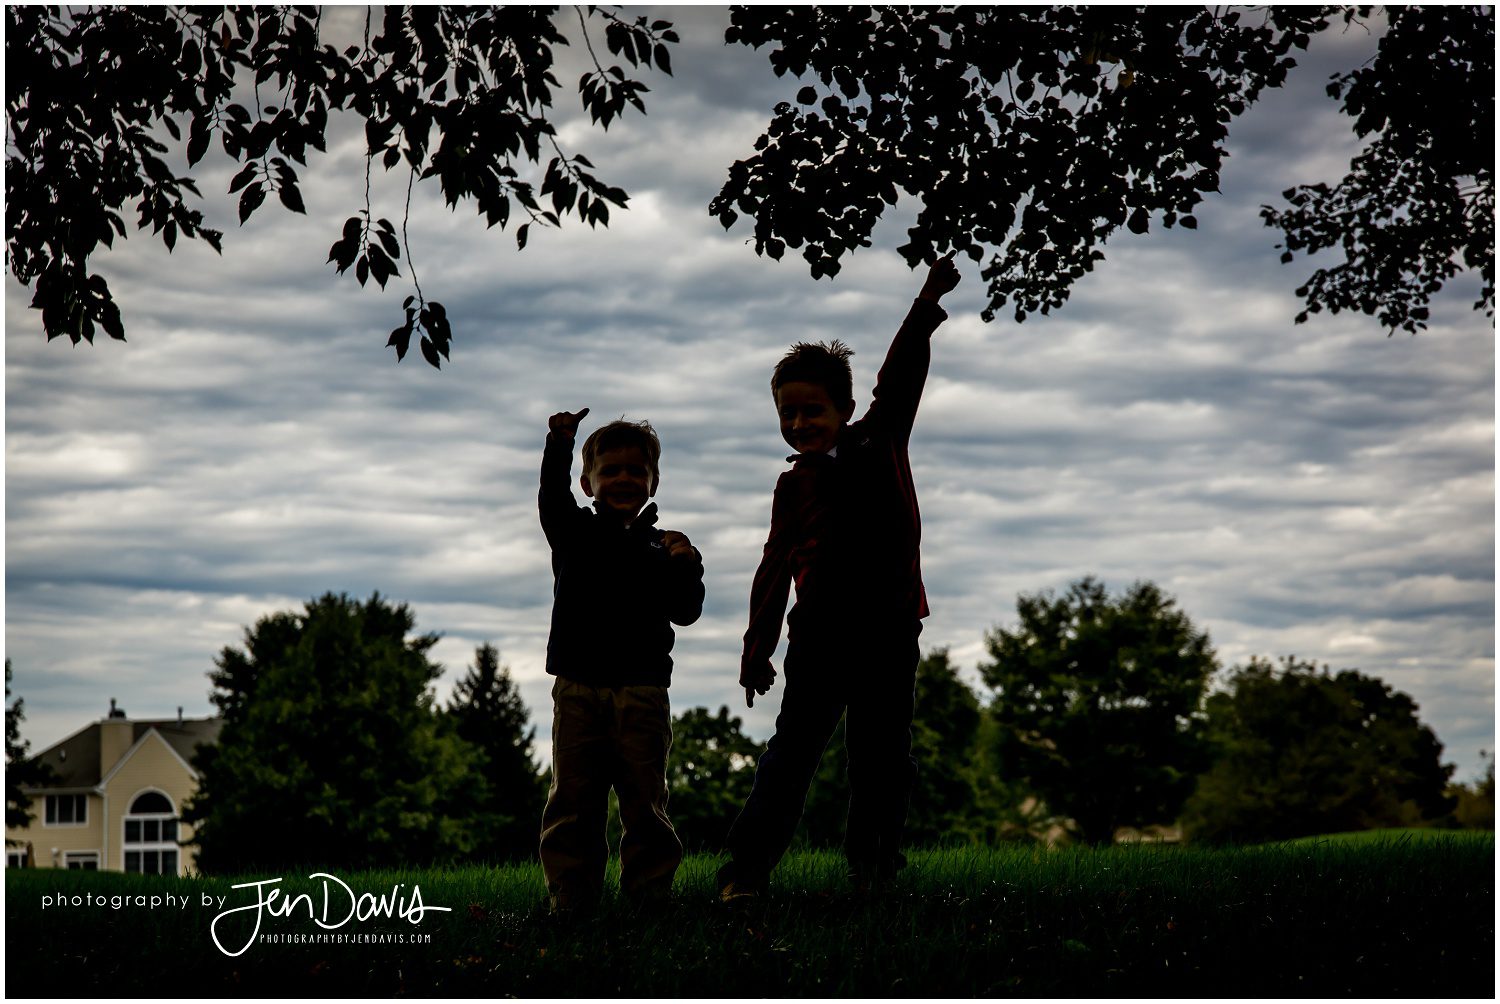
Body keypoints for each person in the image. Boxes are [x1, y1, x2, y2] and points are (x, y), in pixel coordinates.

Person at [719, 254, 962, 900]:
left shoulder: (878, 440)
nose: (799, 424)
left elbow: (901, 371)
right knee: (792, 754)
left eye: (812, 410)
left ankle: (874, 870)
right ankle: (745, 873)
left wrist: (928, 301)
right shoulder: (791, 486)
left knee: (883, 759)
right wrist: (756, 650)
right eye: (787, 413)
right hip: (819, 637)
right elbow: (773, 569)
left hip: (888, 629)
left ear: (845, 407)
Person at [537, 408, 705, 912]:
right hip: (578, 688)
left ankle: (649, 897)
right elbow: (550, 496)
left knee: (645, 802)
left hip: (643, 691)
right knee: (573, 801)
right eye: (610, 470)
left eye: (636, 470)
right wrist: (560, 443)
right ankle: (572, 899)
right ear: (588, 483)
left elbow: (687, 611)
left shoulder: (662, 546)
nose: (624, 478)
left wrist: (687, 564)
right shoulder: (573, 532)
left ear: (654, 481)